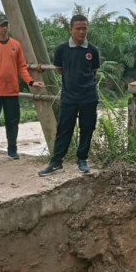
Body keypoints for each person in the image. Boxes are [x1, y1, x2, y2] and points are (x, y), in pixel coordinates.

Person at [0, 13, 45, 163]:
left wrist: (31, 82)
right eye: (1, 25)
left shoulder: (16, 45)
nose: (4, 27)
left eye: (6, 24)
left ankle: (12, 149)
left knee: (13, 122)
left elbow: (22, 67)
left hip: (12, 91)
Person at [38, 14, 100, 176]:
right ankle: (56, 161)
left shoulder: (93, 50)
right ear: (70, 29)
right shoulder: (61, 49)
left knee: (87, 128)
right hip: (69, 96)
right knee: (64, 129)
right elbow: (59, 69)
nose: (81, 32)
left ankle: (82, 160)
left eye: (84, 28)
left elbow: (94, 72)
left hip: (89, 96)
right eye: (78, 29)